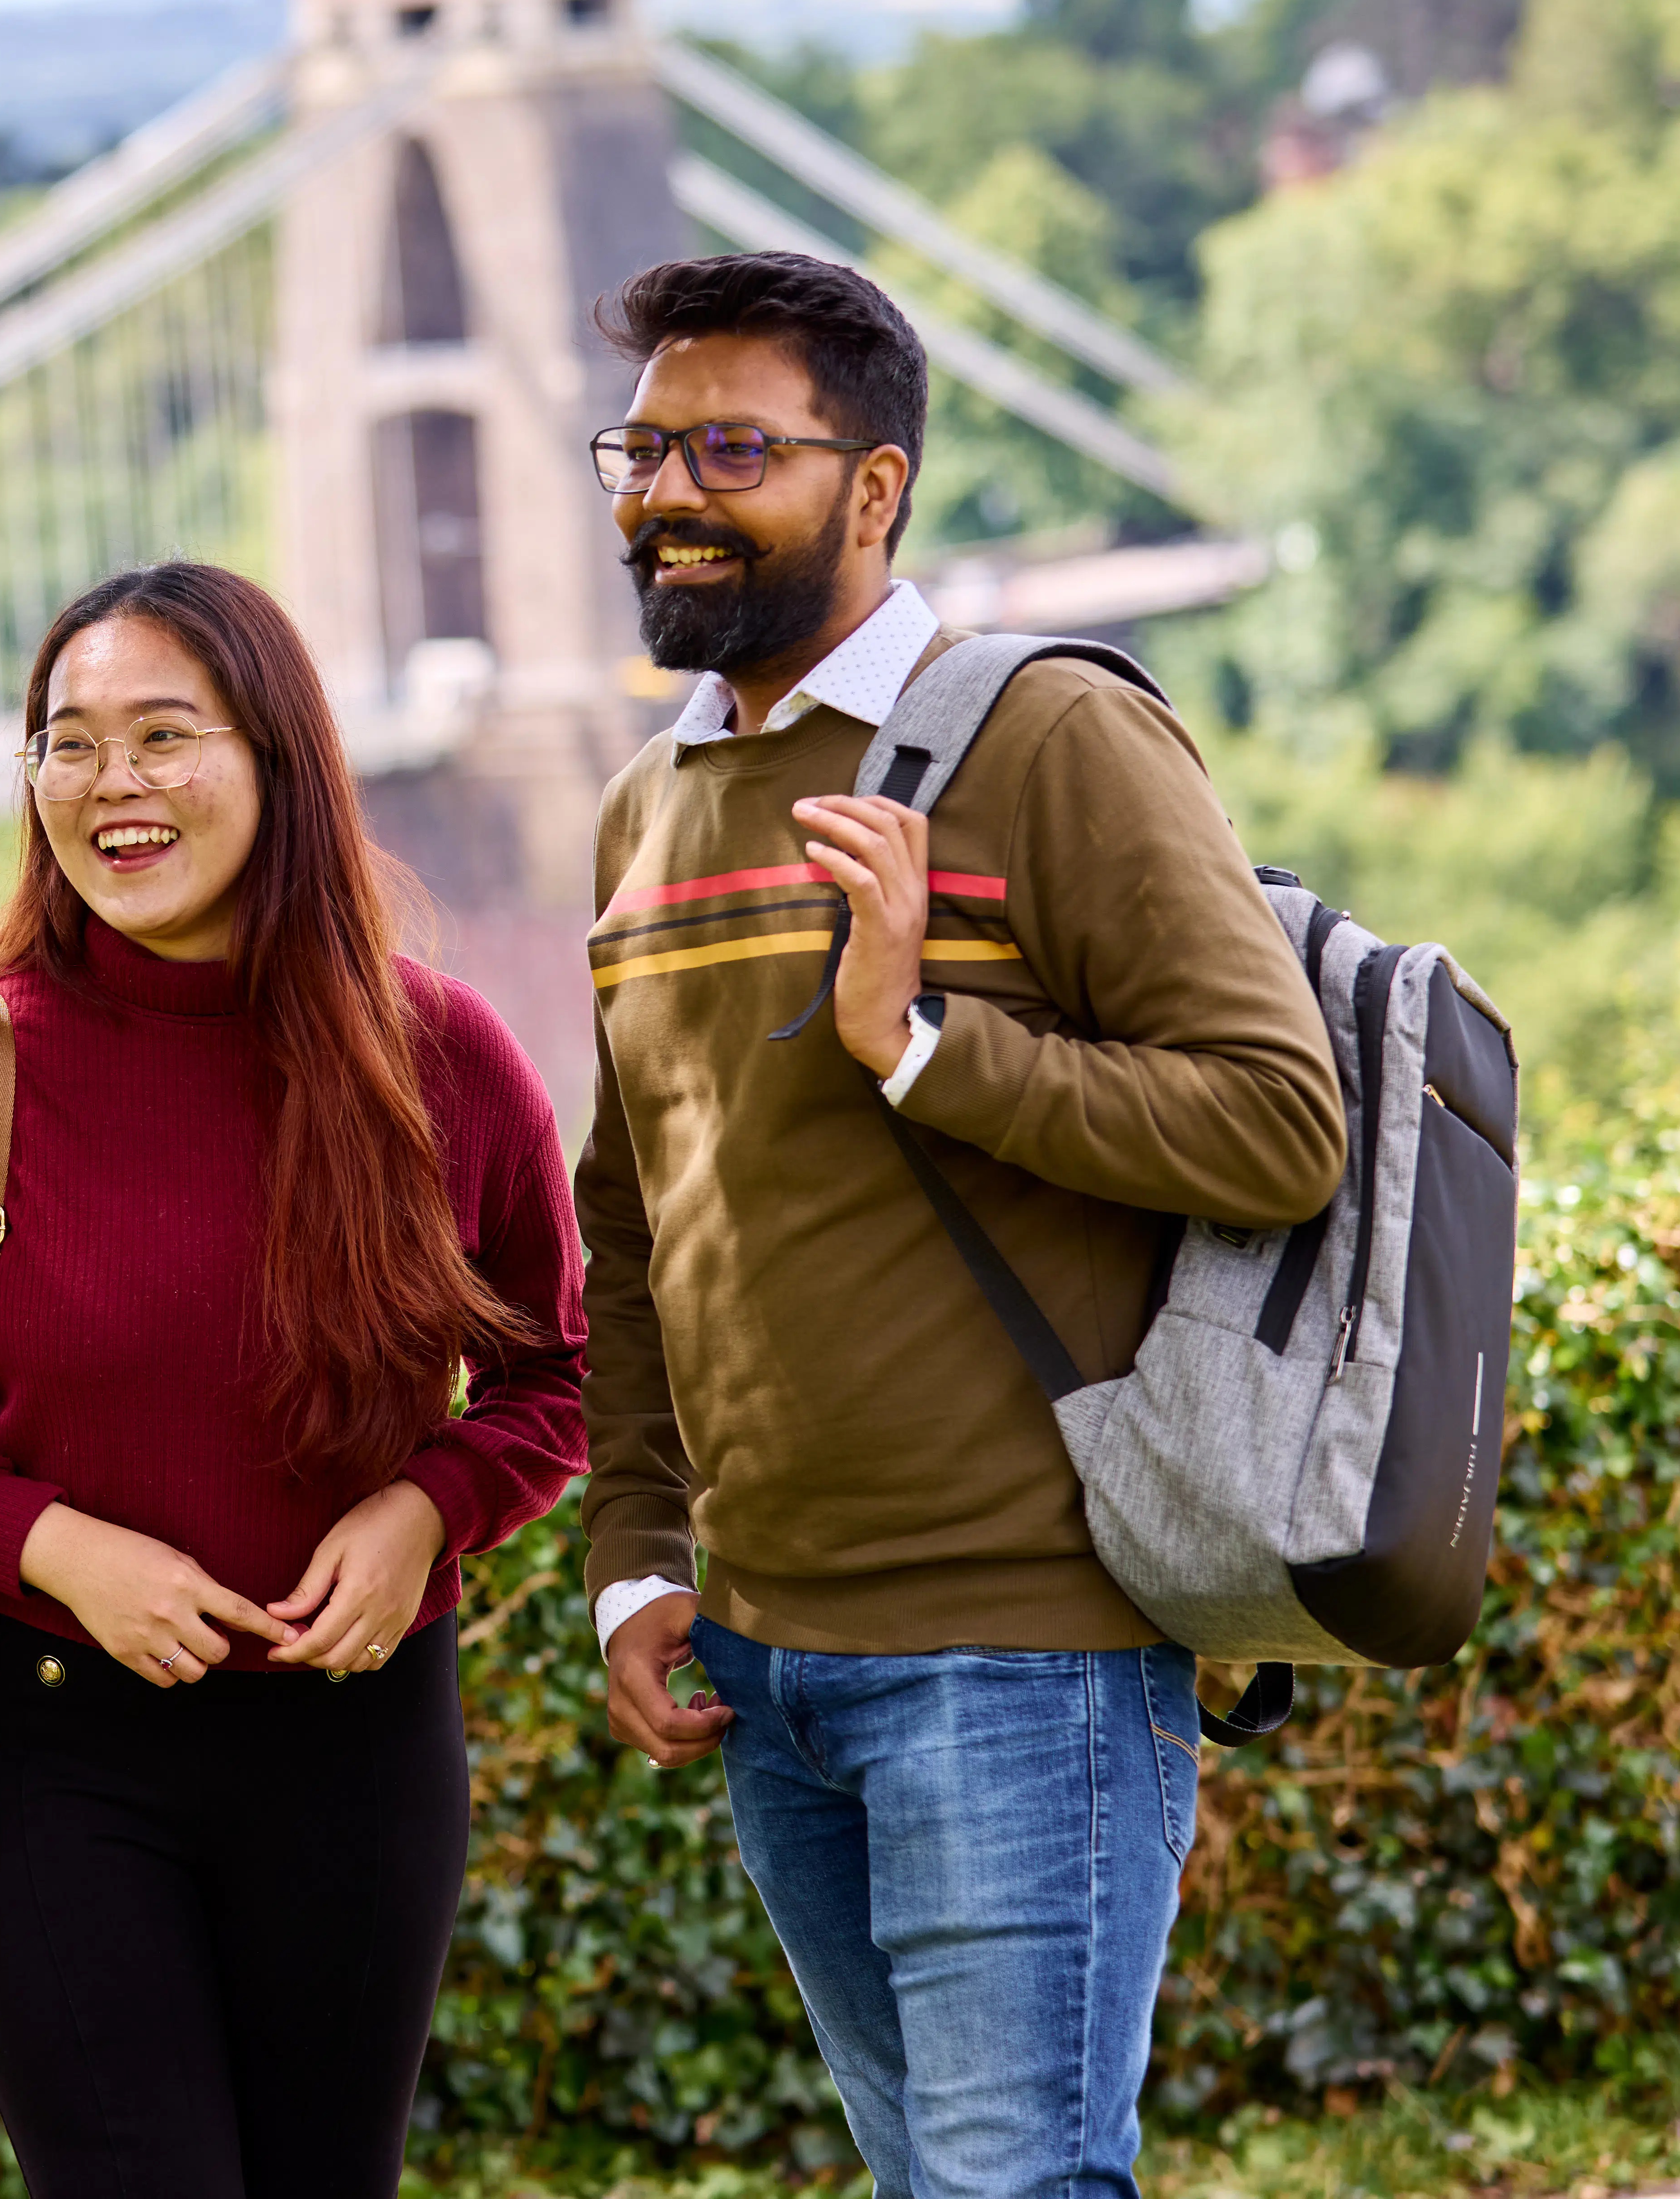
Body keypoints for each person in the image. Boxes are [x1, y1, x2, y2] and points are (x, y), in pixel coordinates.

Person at [572, 253, 1346, 2199]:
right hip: (766, 1663)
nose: (666, 488)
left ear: (873, 488)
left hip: (1021, 1650)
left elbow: (1276, 1127)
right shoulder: (641, 813)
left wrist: (918, 1045)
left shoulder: (1047, 740)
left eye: (731, 445)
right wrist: (632, 1553)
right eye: (643, 445)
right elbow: (634, 1226)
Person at [0, 560, 590, 2199]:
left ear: (279, 760)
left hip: (361, 1753)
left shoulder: (444, 1058)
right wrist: (57, 1547)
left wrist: (429, 1511)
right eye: (67, 745)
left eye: (163, 734)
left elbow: (552, 1379)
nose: (111, 786)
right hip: (49, 1749)